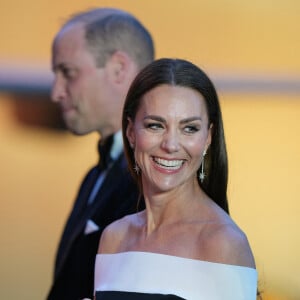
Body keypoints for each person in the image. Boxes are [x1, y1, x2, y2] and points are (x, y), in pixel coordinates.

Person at [93, 58, 258, 300]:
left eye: (189, 128)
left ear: (208, 137)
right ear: (130, 132)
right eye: (155, 125)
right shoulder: (114, 237)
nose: (171, 145)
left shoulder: (223, 244)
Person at [48, 8, 154, 300]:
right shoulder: (95, 176)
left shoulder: (155, 182)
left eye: (67, 72)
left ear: (119, 69)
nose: (56, 92)